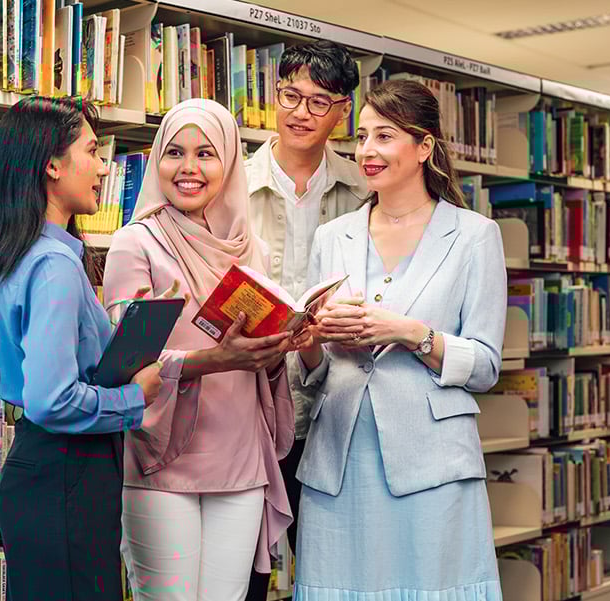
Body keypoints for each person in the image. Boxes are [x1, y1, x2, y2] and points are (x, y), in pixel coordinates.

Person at [290, 79, 507, 600]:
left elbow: (485, 366)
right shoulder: (332, 235)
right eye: (361, 137)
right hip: (340, 456)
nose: (366, 150)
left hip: (431, 461)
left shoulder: (474, 235)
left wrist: (409, 332)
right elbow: (313, 375)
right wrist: (311, 338)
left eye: (384, 136)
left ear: (424, 147)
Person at [103, 98, 308, 601]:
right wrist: (214, 360)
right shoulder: (136, 244)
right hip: (161, 459)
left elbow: (256, 358)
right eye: (174, 152)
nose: (189, 169)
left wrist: (281, 346)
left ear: (230, 163)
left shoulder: (247, 244)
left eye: (206, 154)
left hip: (238, 457)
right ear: (156, 161)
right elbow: (125, 369)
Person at [0, 96, 164, 601]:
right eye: (93, 151)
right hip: (66, 474)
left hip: (47, 471)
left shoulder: (26, 252)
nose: (104, 168)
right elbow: (52, 398)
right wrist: (135, 397)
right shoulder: (54, 266)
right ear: (52, 166)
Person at [241, 41, 372, 601]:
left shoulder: (366, 192)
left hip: (333, 408)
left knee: (332, 566)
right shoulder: (229, 184)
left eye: (320, 102)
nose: (300, 112)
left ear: (344, 110)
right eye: (291, 95)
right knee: (246, 566)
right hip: (248, 405)